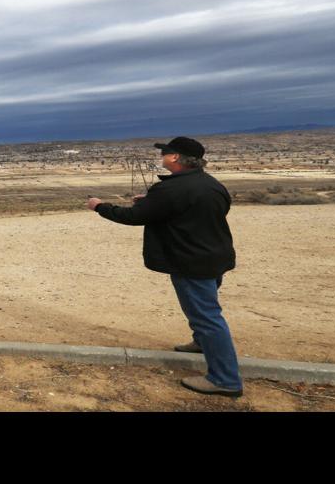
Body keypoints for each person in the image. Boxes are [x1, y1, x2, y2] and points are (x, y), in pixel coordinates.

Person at [86, 136, 243, 397]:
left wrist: (100, 206)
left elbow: (133, 217)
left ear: (175, 158)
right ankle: (201, 343)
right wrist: (151, 204)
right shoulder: (211, 184)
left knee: (208, 318)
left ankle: (225, 380)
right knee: (204, 313)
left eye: (166, 153)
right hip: (214, 257)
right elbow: (188, 212)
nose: (162, 157)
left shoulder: (172, 189)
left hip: (190, 262)